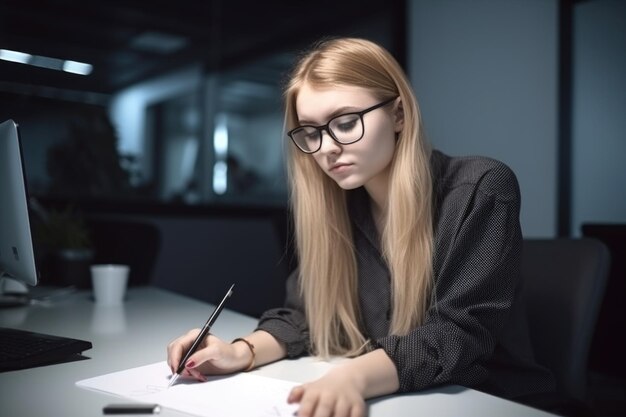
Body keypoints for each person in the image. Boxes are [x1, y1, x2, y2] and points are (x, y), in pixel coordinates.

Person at [167, 37, 555, 417]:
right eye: (311, 132)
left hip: (490, 401)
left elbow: (457, 335)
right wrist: (239, 351)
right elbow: (305, 317)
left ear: (399, 114)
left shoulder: (480, 188)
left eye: (347, 123)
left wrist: (353, 378)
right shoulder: (340, 207)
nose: (327, 148)